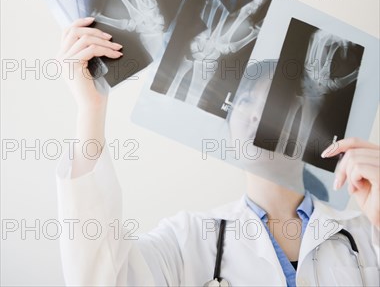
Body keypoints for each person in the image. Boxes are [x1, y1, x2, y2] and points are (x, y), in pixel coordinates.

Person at [56, 17, 380, 286]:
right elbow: (99, 279)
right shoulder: (187, 239)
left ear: (314, 125)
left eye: (279, 104)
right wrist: (90, 110)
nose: (257, 114)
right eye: (246, 100)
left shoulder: (366, 234)